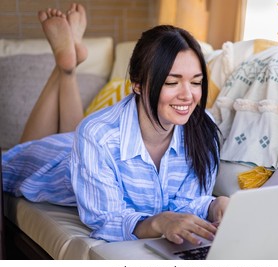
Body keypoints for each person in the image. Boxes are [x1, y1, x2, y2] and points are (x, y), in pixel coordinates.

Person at [2, 3, 229, 245]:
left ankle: (66, 66)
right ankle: (65, 68)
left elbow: (188, 201)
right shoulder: (96, 136)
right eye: (172, 83)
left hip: (86, 146)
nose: (188, 95)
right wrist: (156, 222)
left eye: (196, 82)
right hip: (55, 163)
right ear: (138, 84)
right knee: (23, 152)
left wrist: (215, 204)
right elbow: (106, 220)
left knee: (76, 132)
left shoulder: (203, 127)